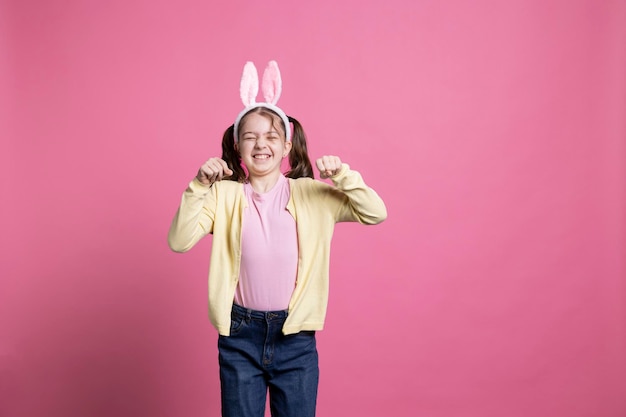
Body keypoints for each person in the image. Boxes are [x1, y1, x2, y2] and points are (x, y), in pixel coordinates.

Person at [168, 61, 387, 417]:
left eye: (271, 136)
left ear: (286, 146)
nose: (261, 144)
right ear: (238, 145)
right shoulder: (223, 196)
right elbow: (179, 240)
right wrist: (198, 186)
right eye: (251, 136)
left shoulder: (312, 194)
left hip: (295, 337)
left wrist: (344, 176)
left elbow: (375, 212)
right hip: (239, 335)